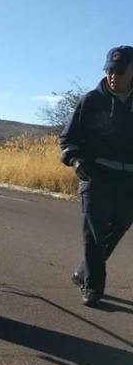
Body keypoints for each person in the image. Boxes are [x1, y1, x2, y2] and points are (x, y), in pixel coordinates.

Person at [60, 45, 133, 308]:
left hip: (128, 181)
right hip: (95, 175)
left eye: (120, 70)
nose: (113, 75)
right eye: (109, 70)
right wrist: (75, 158)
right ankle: (93, 288)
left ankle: (83, 271)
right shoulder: (91, 101)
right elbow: (68, 139)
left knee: (118, 226)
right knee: (94, 232)